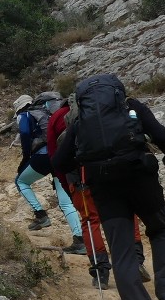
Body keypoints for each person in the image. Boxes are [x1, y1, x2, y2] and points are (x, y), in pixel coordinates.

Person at [52, 74, 165, 300]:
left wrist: (85, 164)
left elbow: (59, 161)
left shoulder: (80, 121)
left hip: (105, 189)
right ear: (117, 93)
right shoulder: (132, 106)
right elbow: (162, 135)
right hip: (141, 179)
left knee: (122, 252)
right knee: (161, 231)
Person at [46, 96, 151, 289]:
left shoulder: (59, 117)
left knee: (90, 220)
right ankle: (136, 260)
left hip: (80, 180)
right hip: (114, 175)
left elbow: (56, 159)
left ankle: (100, 271)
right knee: (128, 213)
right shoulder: (110, 112)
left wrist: (68, 186)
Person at [13, 94, 85, 253]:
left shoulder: (25, 115)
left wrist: (26, 157)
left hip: (42, 156)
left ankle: (41, 215)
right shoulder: (47, 113)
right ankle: (80, 240)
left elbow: (25, 132)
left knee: (20, 181)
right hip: (58, 156)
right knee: (65, 202)